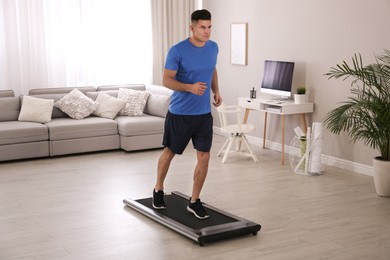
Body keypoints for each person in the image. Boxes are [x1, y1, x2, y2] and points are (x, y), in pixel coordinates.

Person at [152, 9, 222, 219]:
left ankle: (194, 200)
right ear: (192, 28)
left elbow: (212, 69)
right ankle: (158, 188)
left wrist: (216, 90)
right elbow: (167, 80)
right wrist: (189, 87)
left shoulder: (213, 47)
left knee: (204, 156)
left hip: (203, 115)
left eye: (209, 27)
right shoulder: (177, 50)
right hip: (180, 113)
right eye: (202, 27)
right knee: (169, 153)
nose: (207, 31)